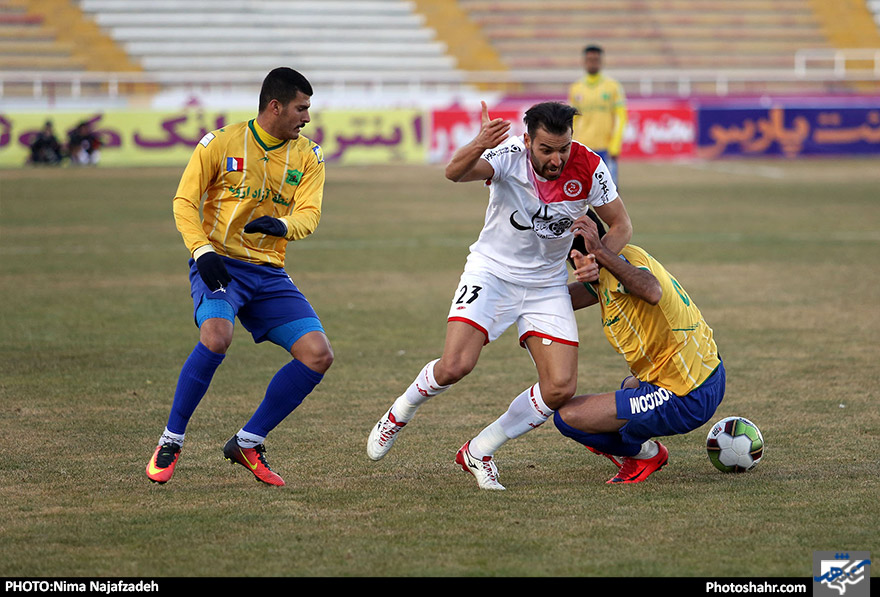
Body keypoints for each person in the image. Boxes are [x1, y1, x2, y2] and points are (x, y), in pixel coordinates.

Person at [366, 101, 633, 490]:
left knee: (560, 389)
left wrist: (599, 259)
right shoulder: (508, 154)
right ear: (527, 141)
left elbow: (621, 224)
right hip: (491, 273)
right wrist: (479, 143)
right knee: (455, 365)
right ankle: (398, 413)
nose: (556, 159)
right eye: (546, 150)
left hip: (546, 286)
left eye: (563, 148)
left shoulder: (590, 166)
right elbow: (454, 172)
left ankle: (480, 450)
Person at [146, 67, 333, 487]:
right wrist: (202, 250)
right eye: (301, 109)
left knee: (318, 355)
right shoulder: (221, 143)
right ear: (275, 106)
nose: (307, 118)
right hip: (220, 264)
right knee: (216, 336)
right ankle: (171, 440)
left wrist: (281, 227)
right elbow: (184, 201)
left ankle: (248, 442)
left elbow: (310, 214)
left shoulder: (309, 155)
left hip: (268, 272)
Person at [556, 211, 725, 484]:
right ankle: (624, 439)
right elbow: (568, 298)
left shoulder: (618, 267)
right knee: (628, 388)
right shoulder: (622, 259)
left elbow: (652, 290)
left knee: (569, 418)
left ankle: (645, 454)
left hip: (685, 393)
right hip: (708, 374)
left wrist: (598, 251)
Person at [568, 45, 627, 185]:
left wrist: (615, 145)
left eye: (595, 59)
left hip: (605, 148)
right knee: (581, 191)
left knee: (609, 192)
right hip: (582, 148)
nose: (592, 62)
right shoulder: (576, 88)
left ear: (601, 61)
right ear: (584, 62)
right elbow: (572, 120)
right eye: (589, 59)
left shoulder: (613, 87)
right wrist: (571, 143)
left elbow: (621, 117)